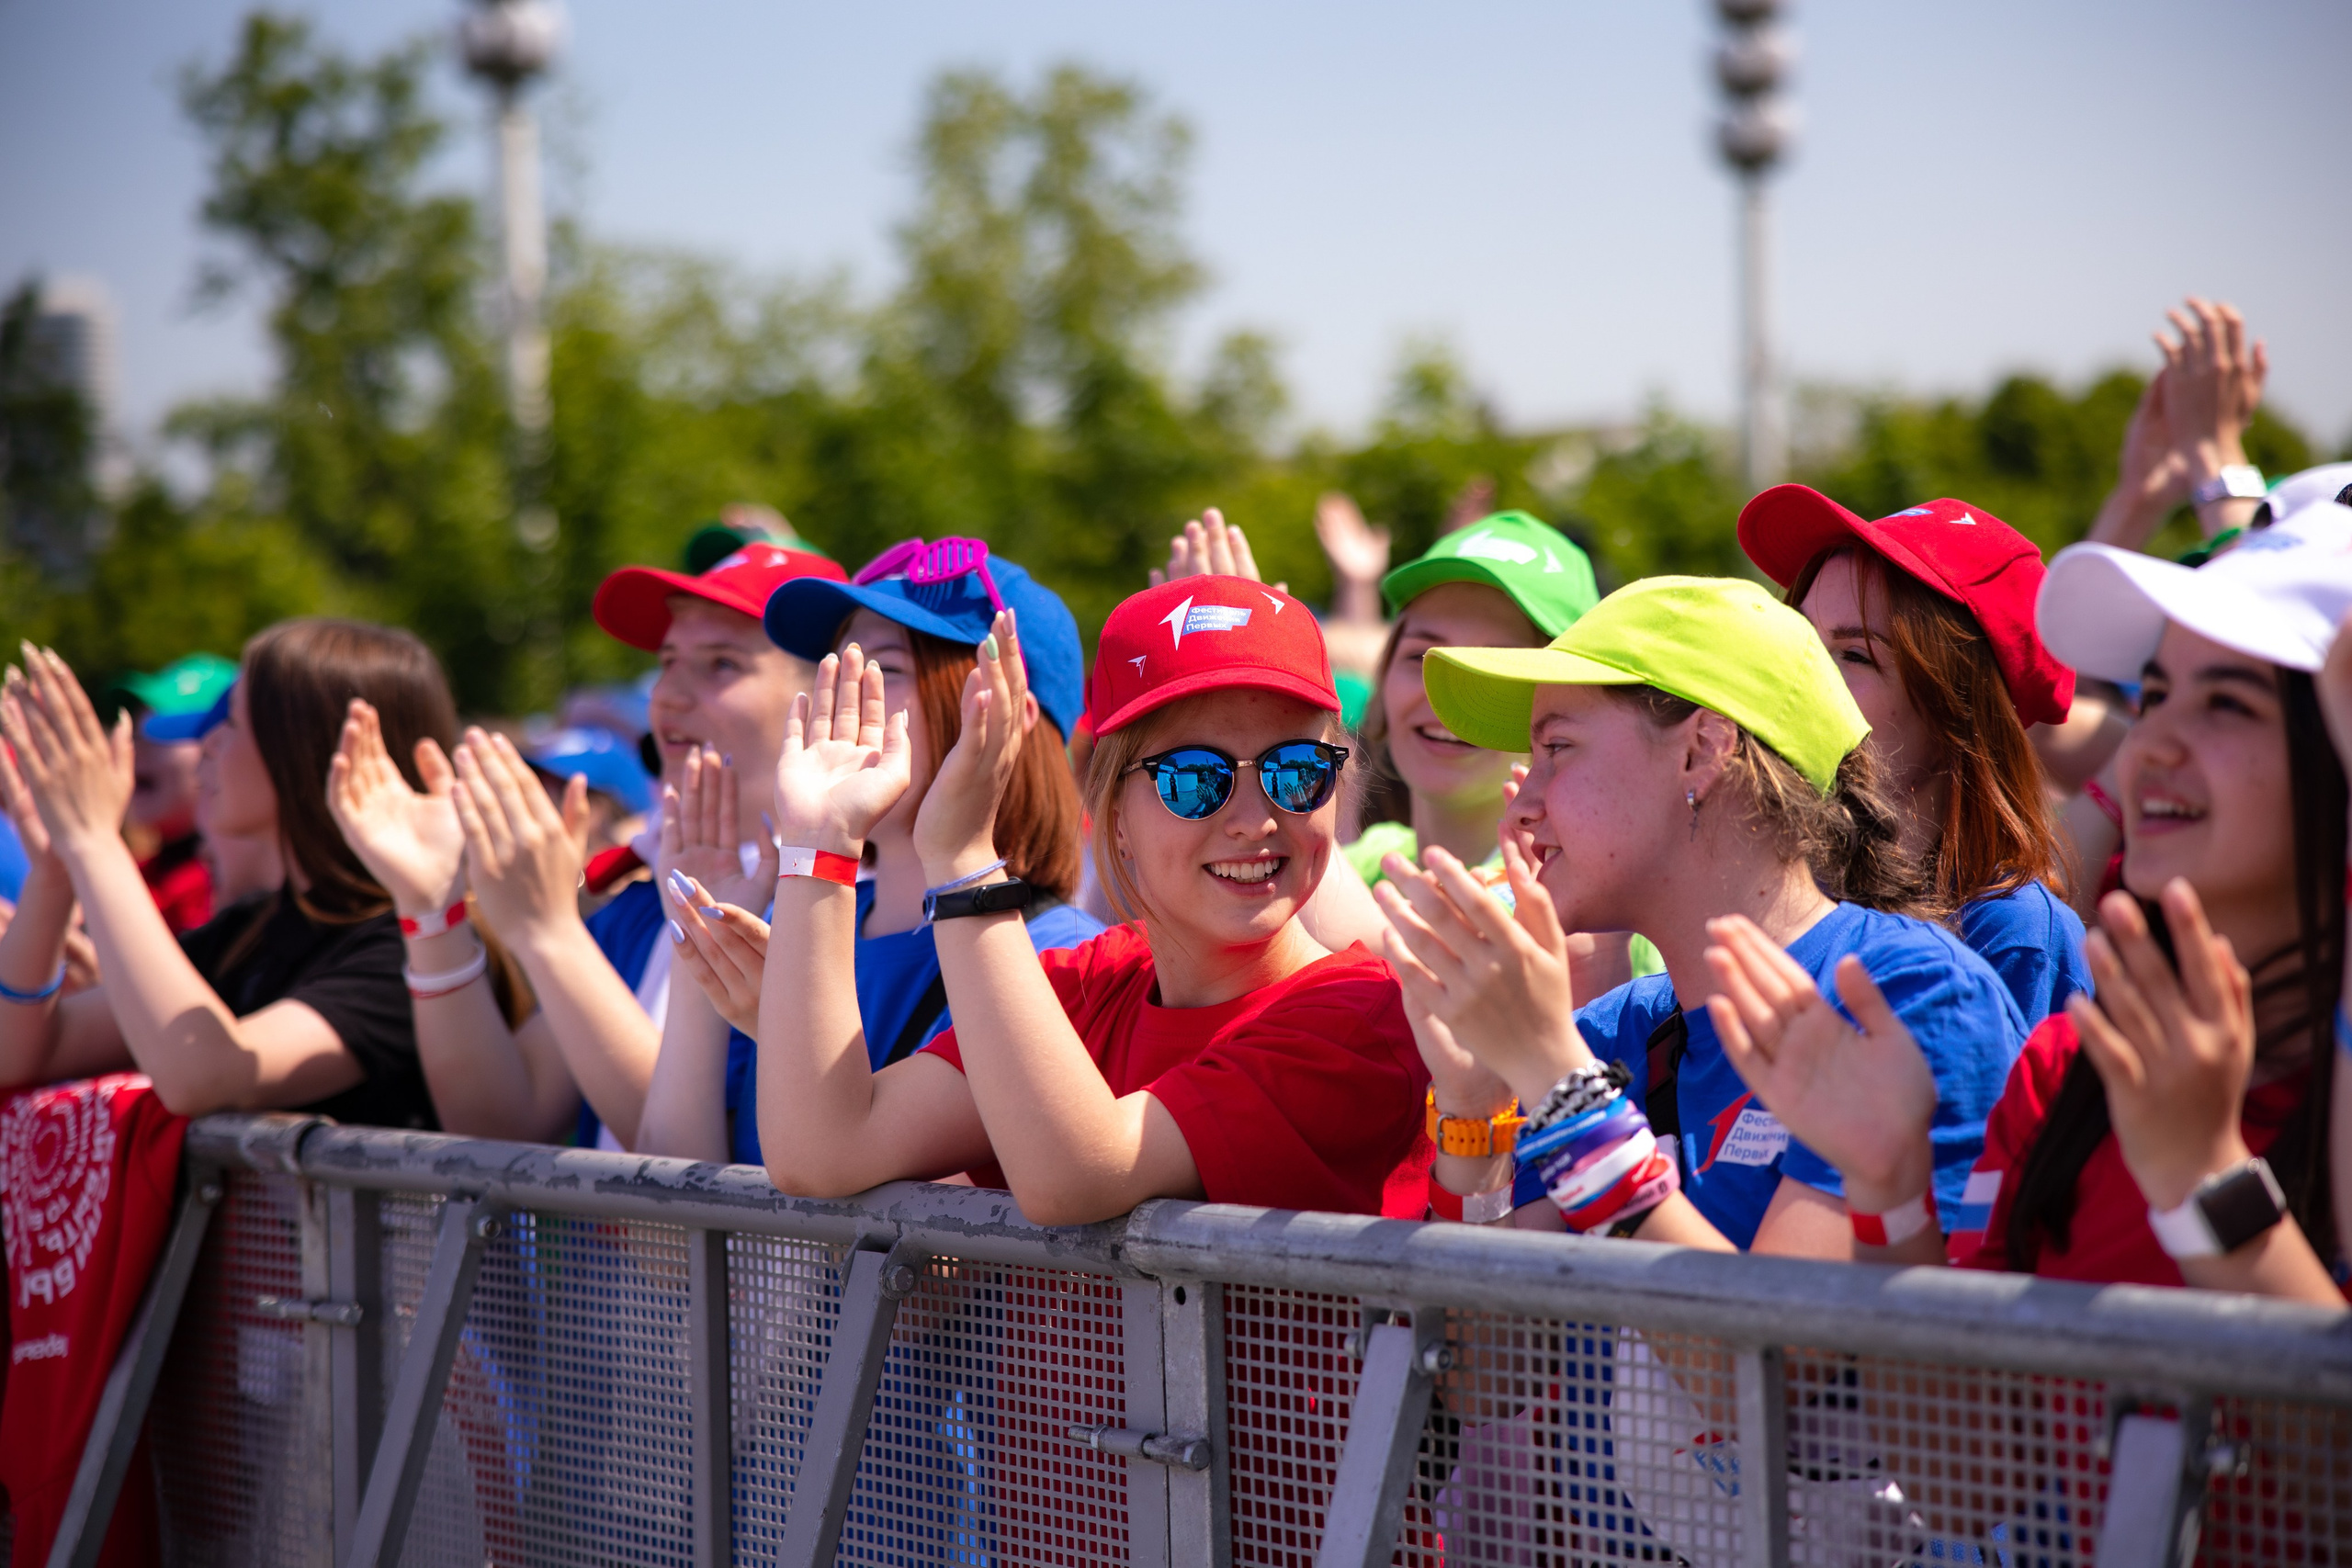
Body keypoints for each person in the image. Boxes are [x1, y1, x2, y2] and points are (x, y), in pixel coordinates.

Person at [1706, 498, 2351, 1305]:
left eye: (2226, 702)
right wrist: (1888, 1186)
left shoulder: (2017, 934)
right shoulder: (2064, 1069)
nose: (2149, 744)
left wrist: (2202, 1179)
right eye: (2152, 697)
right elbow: (1966, 1407)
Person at [682, 575, 1426, 1223]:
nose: (1254, 817)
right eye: (1193, 777)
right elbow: (825, 1149)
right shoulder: (1090, 979)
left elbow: (1078, 1174)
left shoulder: (1362, 1017)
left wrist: (967, 864)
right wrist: (822, 842)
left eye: (1297, 770)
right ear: (1115, 816)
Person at [1374, 577, 2026, 1252]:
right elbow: (1476, 1351)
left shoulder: (1907, 997)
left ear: (1703, 749)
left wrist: (1560, 1083)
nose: (1520, 807)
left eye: (1557, 748)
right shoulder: (1610, 1032)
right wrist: (1473, 1112)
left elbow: (1773, 1352)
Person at [324, 540, 843, 1148]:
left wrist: (549, 930)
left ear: (825, 703)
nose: (667, 693)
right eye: (669, 659)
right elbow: (501, 1117)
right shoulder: (642, 903)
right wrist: (428, 904)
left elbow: (690, 1167)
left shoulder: (834, 910)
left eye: (721, 664)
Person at [648, 536, 1103, 1164]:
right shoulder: (791, 924)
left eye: (882, 670)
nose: (841, 698)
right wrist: (699, 948)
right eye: (836, 666)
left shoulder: (1062, 959)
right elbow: (668, 1230)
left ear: (1002, 716)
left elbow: (886, 1217)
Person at [0, 624, 447, 1126]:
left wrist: (95, 844)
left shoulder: (403, 948)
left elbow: (206, 1076)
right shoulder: (251, 930)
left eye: (231, 722)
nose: (208, 745)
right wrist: (54, 876)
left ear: (306, 754)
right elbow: (20, 1055)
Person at [1738, 487, 2087, 1024]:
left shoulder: (2012, 937)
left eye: (1854, 654)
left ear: (1960, 713)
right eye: (1801, 638)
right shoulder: (1758, 885)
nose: (1799, 672)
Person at [113, 653, 239, 933]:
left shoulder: (232, 886)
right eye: (134, 732)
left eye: (162, 732)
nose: (135, 748)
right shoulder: (135, 874)